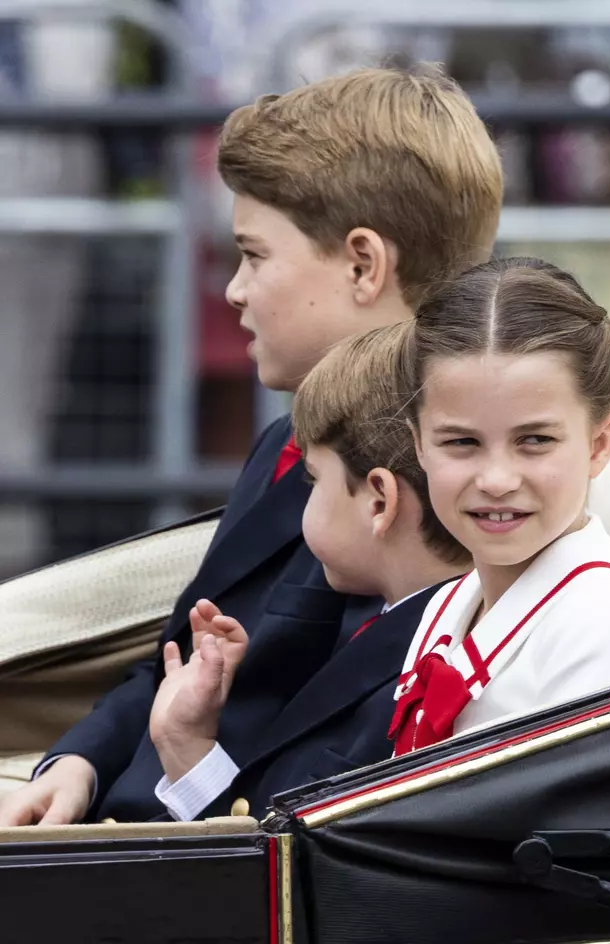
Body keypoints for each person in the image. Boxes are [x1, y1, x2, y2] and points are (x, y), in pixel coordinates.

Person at [0, 63, 503, 825]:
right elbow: (175, 656)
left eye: (255, 255)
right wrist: (76, 762)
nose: (234, 289)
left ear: (363, 264)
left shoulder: (441, 491)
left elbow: (328, 774)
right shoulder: (286, 444)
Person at [147, 323, 471, 819]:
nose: (307, 496)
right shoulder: (402, 629)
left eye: (313, 479)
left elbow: (283, 861)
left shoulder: (419, 672)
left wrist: (184, 745)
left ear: (379, 501)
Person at [389, 257, 610, 756]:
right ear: (419, 445)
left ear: (600, 443)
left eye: (534, 440)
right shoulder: (446, 607)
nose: (496, 480)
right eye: (462, 441)